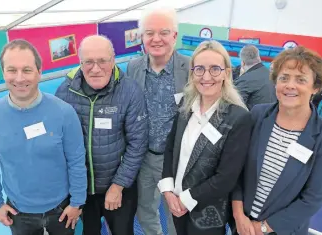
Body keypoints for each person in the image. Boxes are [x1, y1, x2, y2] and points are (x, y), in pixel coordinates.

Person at [0, 39, 87, 235]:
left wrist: (77, 202)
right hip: (18, 213)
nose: (19, 78)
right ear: (3, 73)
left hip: (62, 209)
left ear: (39, 72)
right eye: (12, 70)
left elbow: (76, 160)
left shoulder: (63, 112)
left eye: (27, 70)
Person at [232, 46, 322, 235]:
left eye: (301, 79)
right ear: (275, 83)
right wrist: (238, 215)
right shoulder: (258, 115)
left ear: (315, 87)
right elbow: (237, 169)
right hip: (242, 225)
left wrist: (263, 228)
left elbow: (312, 198)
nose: (290, 85)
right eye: (284, 78)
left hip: (281, 230)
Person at [55, 35, 148, 235]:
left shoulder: (130, 91)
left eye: (102, 61)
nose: (95, 69)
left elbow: (137, 144)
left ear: (113, 60)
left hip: (120, 188)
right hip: (82, 191)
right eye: (88, 62)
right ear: (80, 63)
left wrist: (118, 185)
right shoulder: (65, 92)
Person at [158, 40, 253, 235]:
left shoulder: (238, 117)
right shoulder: (186, 105)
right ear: (192, 73)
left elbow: (226, 177)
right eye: (199, 69)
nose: (206, 76)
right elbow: (170, 148)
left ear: (226, 73)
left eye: (215, 69)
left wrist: (185, 199)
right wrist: (167, 191)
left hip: (207, 214)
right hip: (175, 203)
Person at [126, 7, 190, 235]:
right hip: (144, 157)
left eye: (163, 32)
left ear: (174, 36)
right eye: (149, 33)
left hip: (177, 161)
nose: (156, 39)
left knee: (177, 213)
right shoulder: (133, 67)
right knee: (145, 210)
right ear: (141, 37)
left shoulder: (190, 68)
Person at [234, 45, 277, 110]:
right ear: (259, 58)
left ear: (243, 63)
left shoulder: (244, 80)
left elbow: (234, 108)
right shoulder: (271, 75)